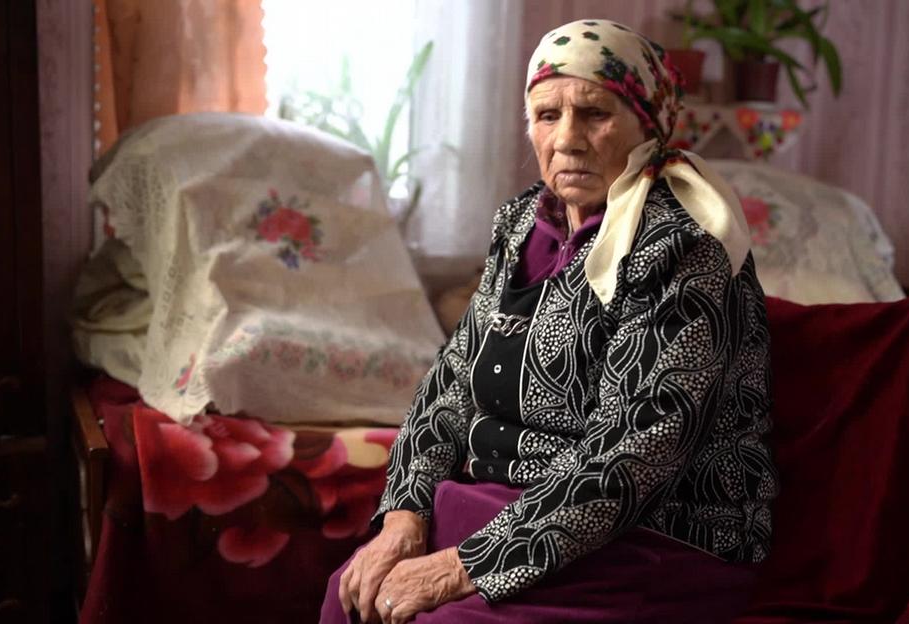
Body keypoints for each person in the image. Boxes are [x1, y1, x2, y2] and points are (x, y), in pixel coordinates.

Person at [322, 19, 778, 624]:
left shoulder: (685, 246)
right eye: (546, 115)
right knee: (350, 593)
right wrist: (404, 519)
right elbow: (449, 388)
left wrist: (462, 566)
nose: (568, 139)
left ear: (650, 124)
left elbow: (636, 452)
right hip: (506, 516)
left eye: (594, 114)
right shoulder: (519, 226)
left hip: (652, 538)